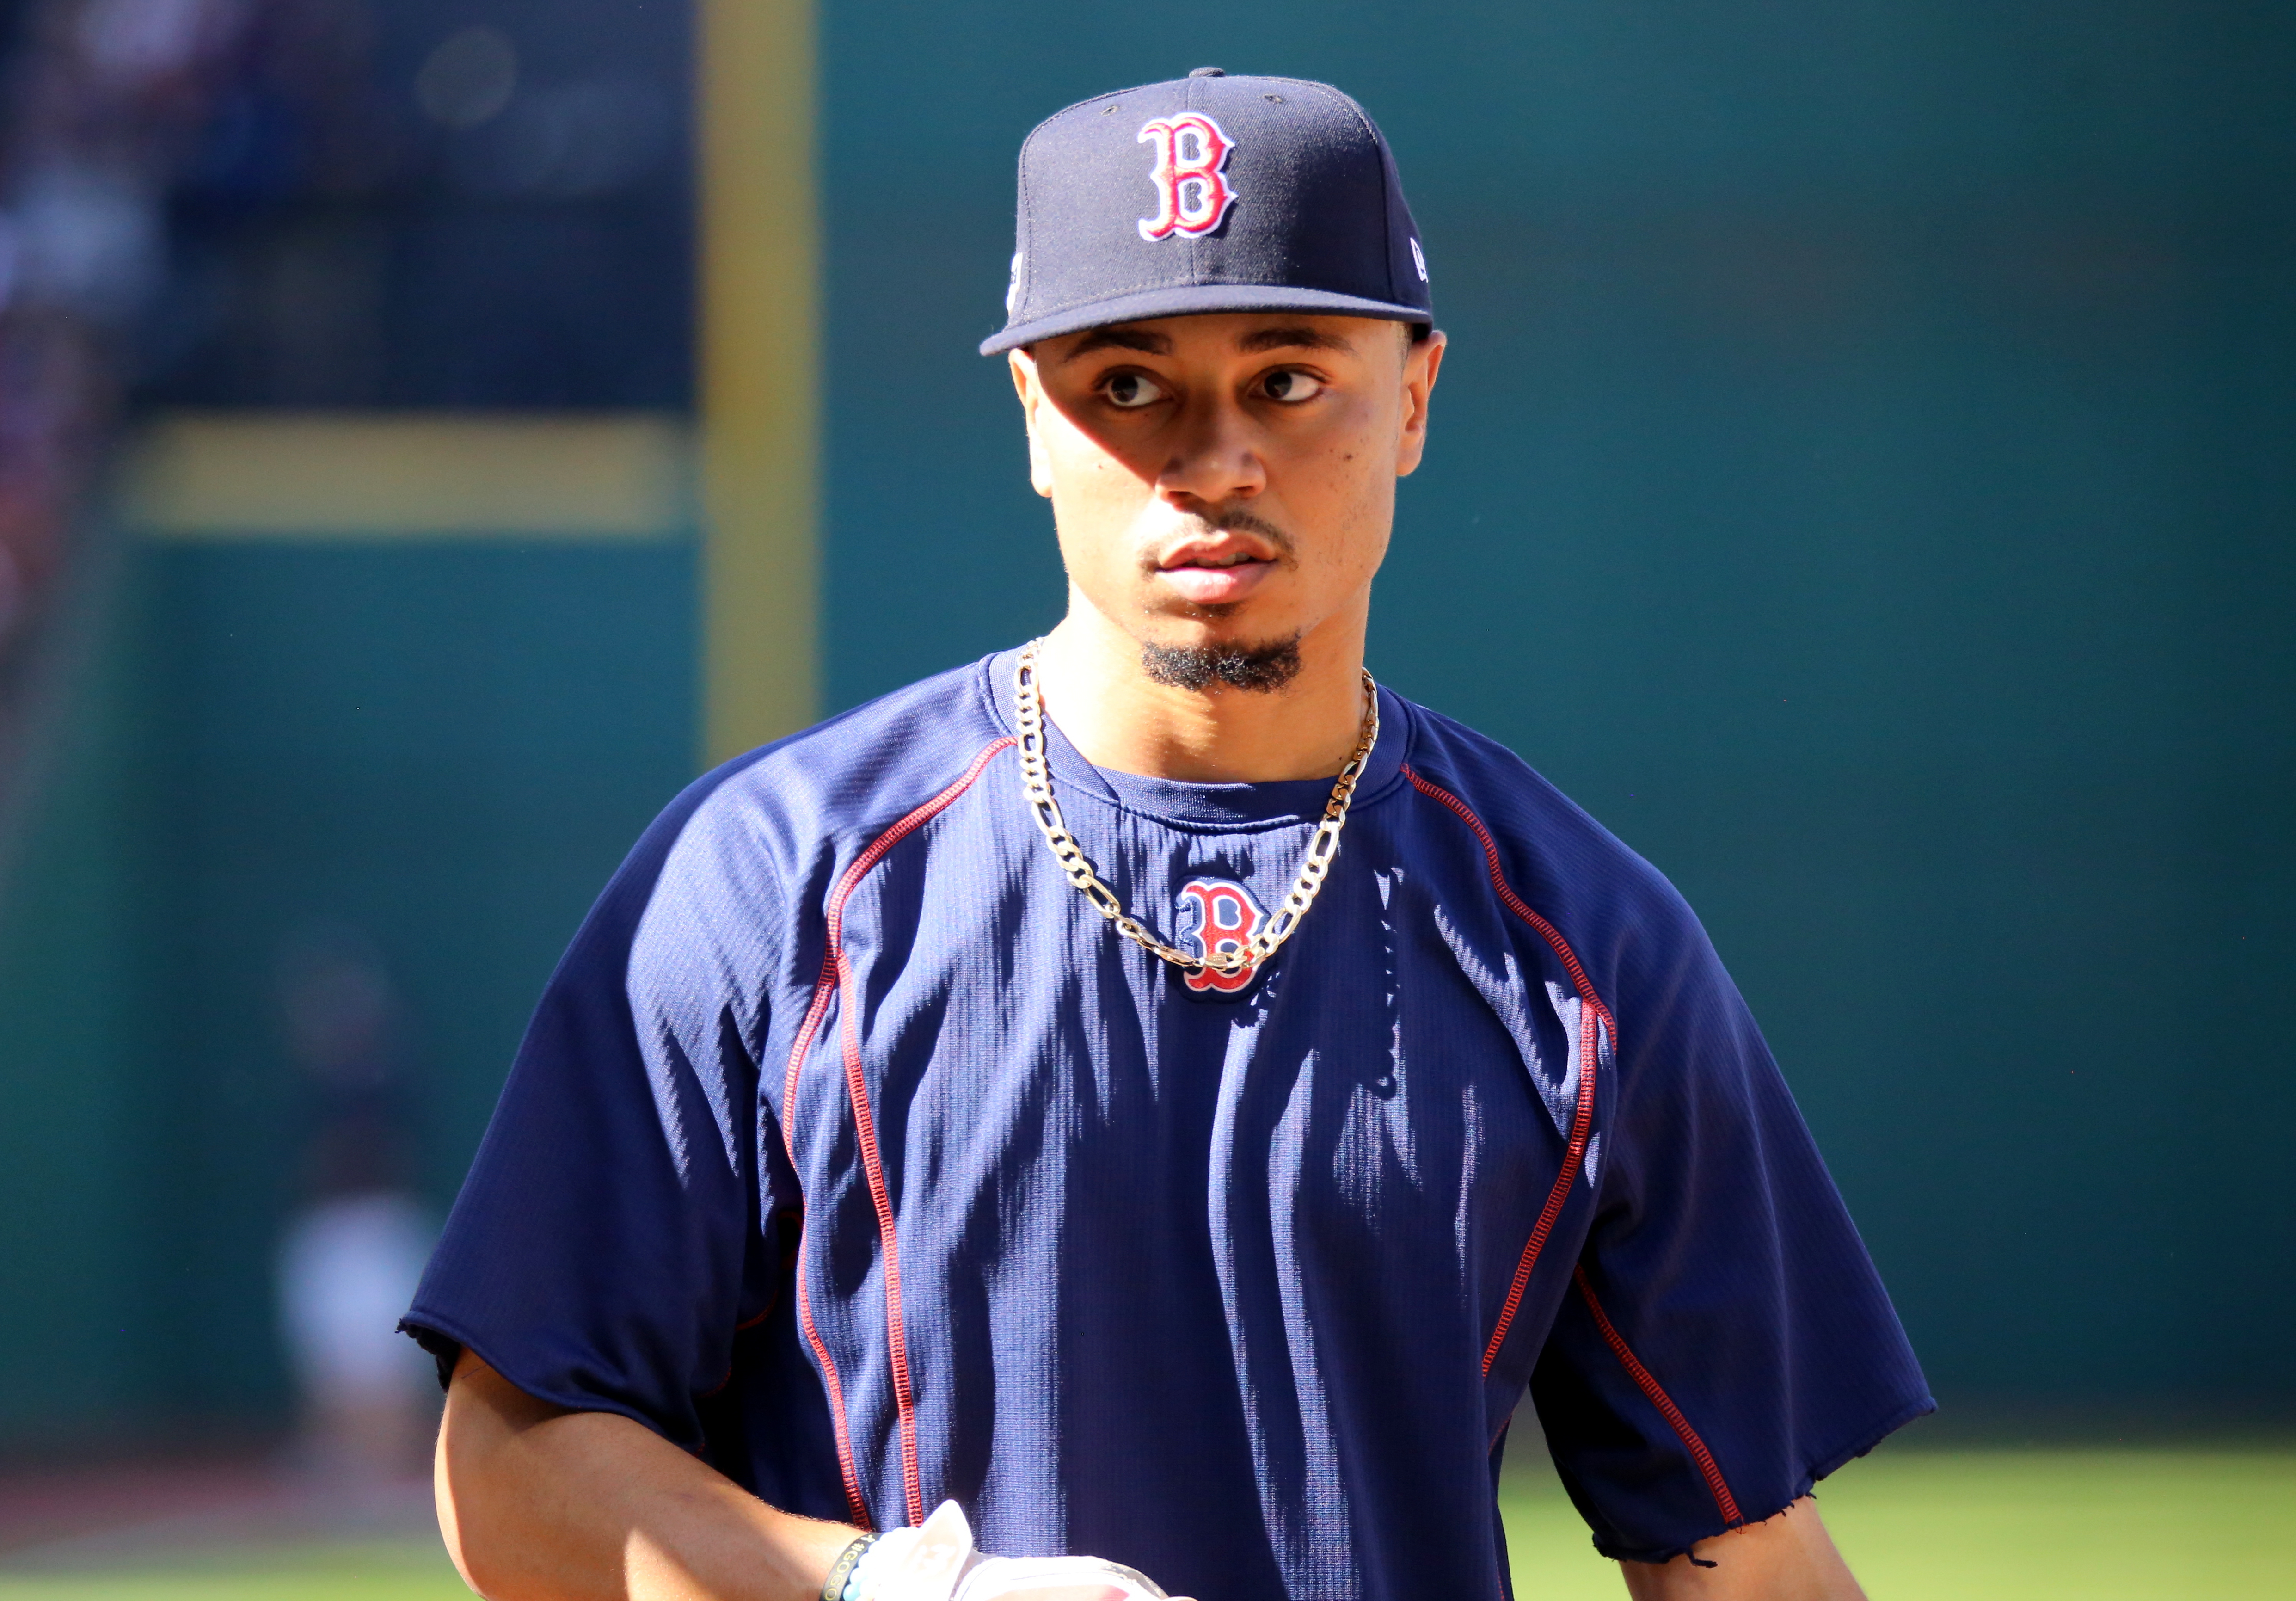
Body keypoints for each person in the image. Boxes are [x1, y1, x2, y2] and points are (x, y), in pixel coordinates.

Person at [402, 68, 1931, 1601]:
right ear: (1033, 419)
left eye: (1288, 377)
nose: (1215, 460)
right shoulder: (770, 880)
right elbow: (511, 1462)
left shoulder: (1587, 945)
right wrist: (891, 1593)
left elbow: (1736, 1550)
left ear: (1410, 398)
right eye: (1127, 386)